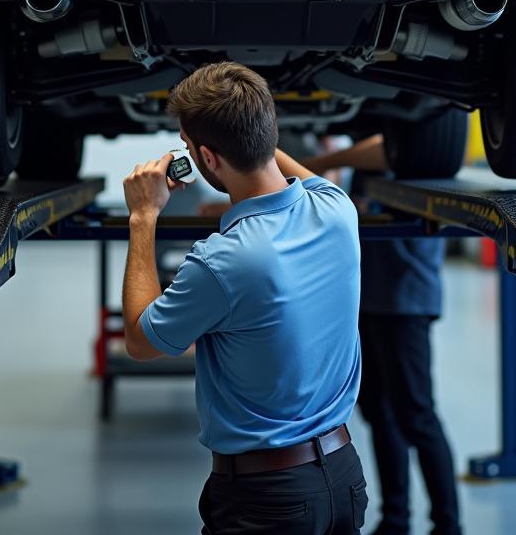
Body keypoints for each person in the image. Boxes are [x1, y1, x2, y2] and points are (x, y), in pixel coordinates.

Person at [121, 62, 369, 535]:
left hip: (268, 499)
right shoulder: (337, 211)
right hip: (343, 477)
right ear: (266, 130)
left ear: (208, 159)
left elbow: (140, 340)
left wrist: (143, 217)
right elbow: (288, 170)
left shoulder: (222, 263)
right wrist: (243, 128)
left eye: (191, 149)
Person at [302, 135, 462, 535]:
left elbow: (388, 147)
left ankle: (448, 525)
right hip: (369, 302)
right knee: (380, 414)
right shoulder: (364, 167)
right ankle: (395, 519)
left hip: (406, 303)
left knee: (417, 415)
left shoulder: (417, 152)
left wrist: (321, 160)